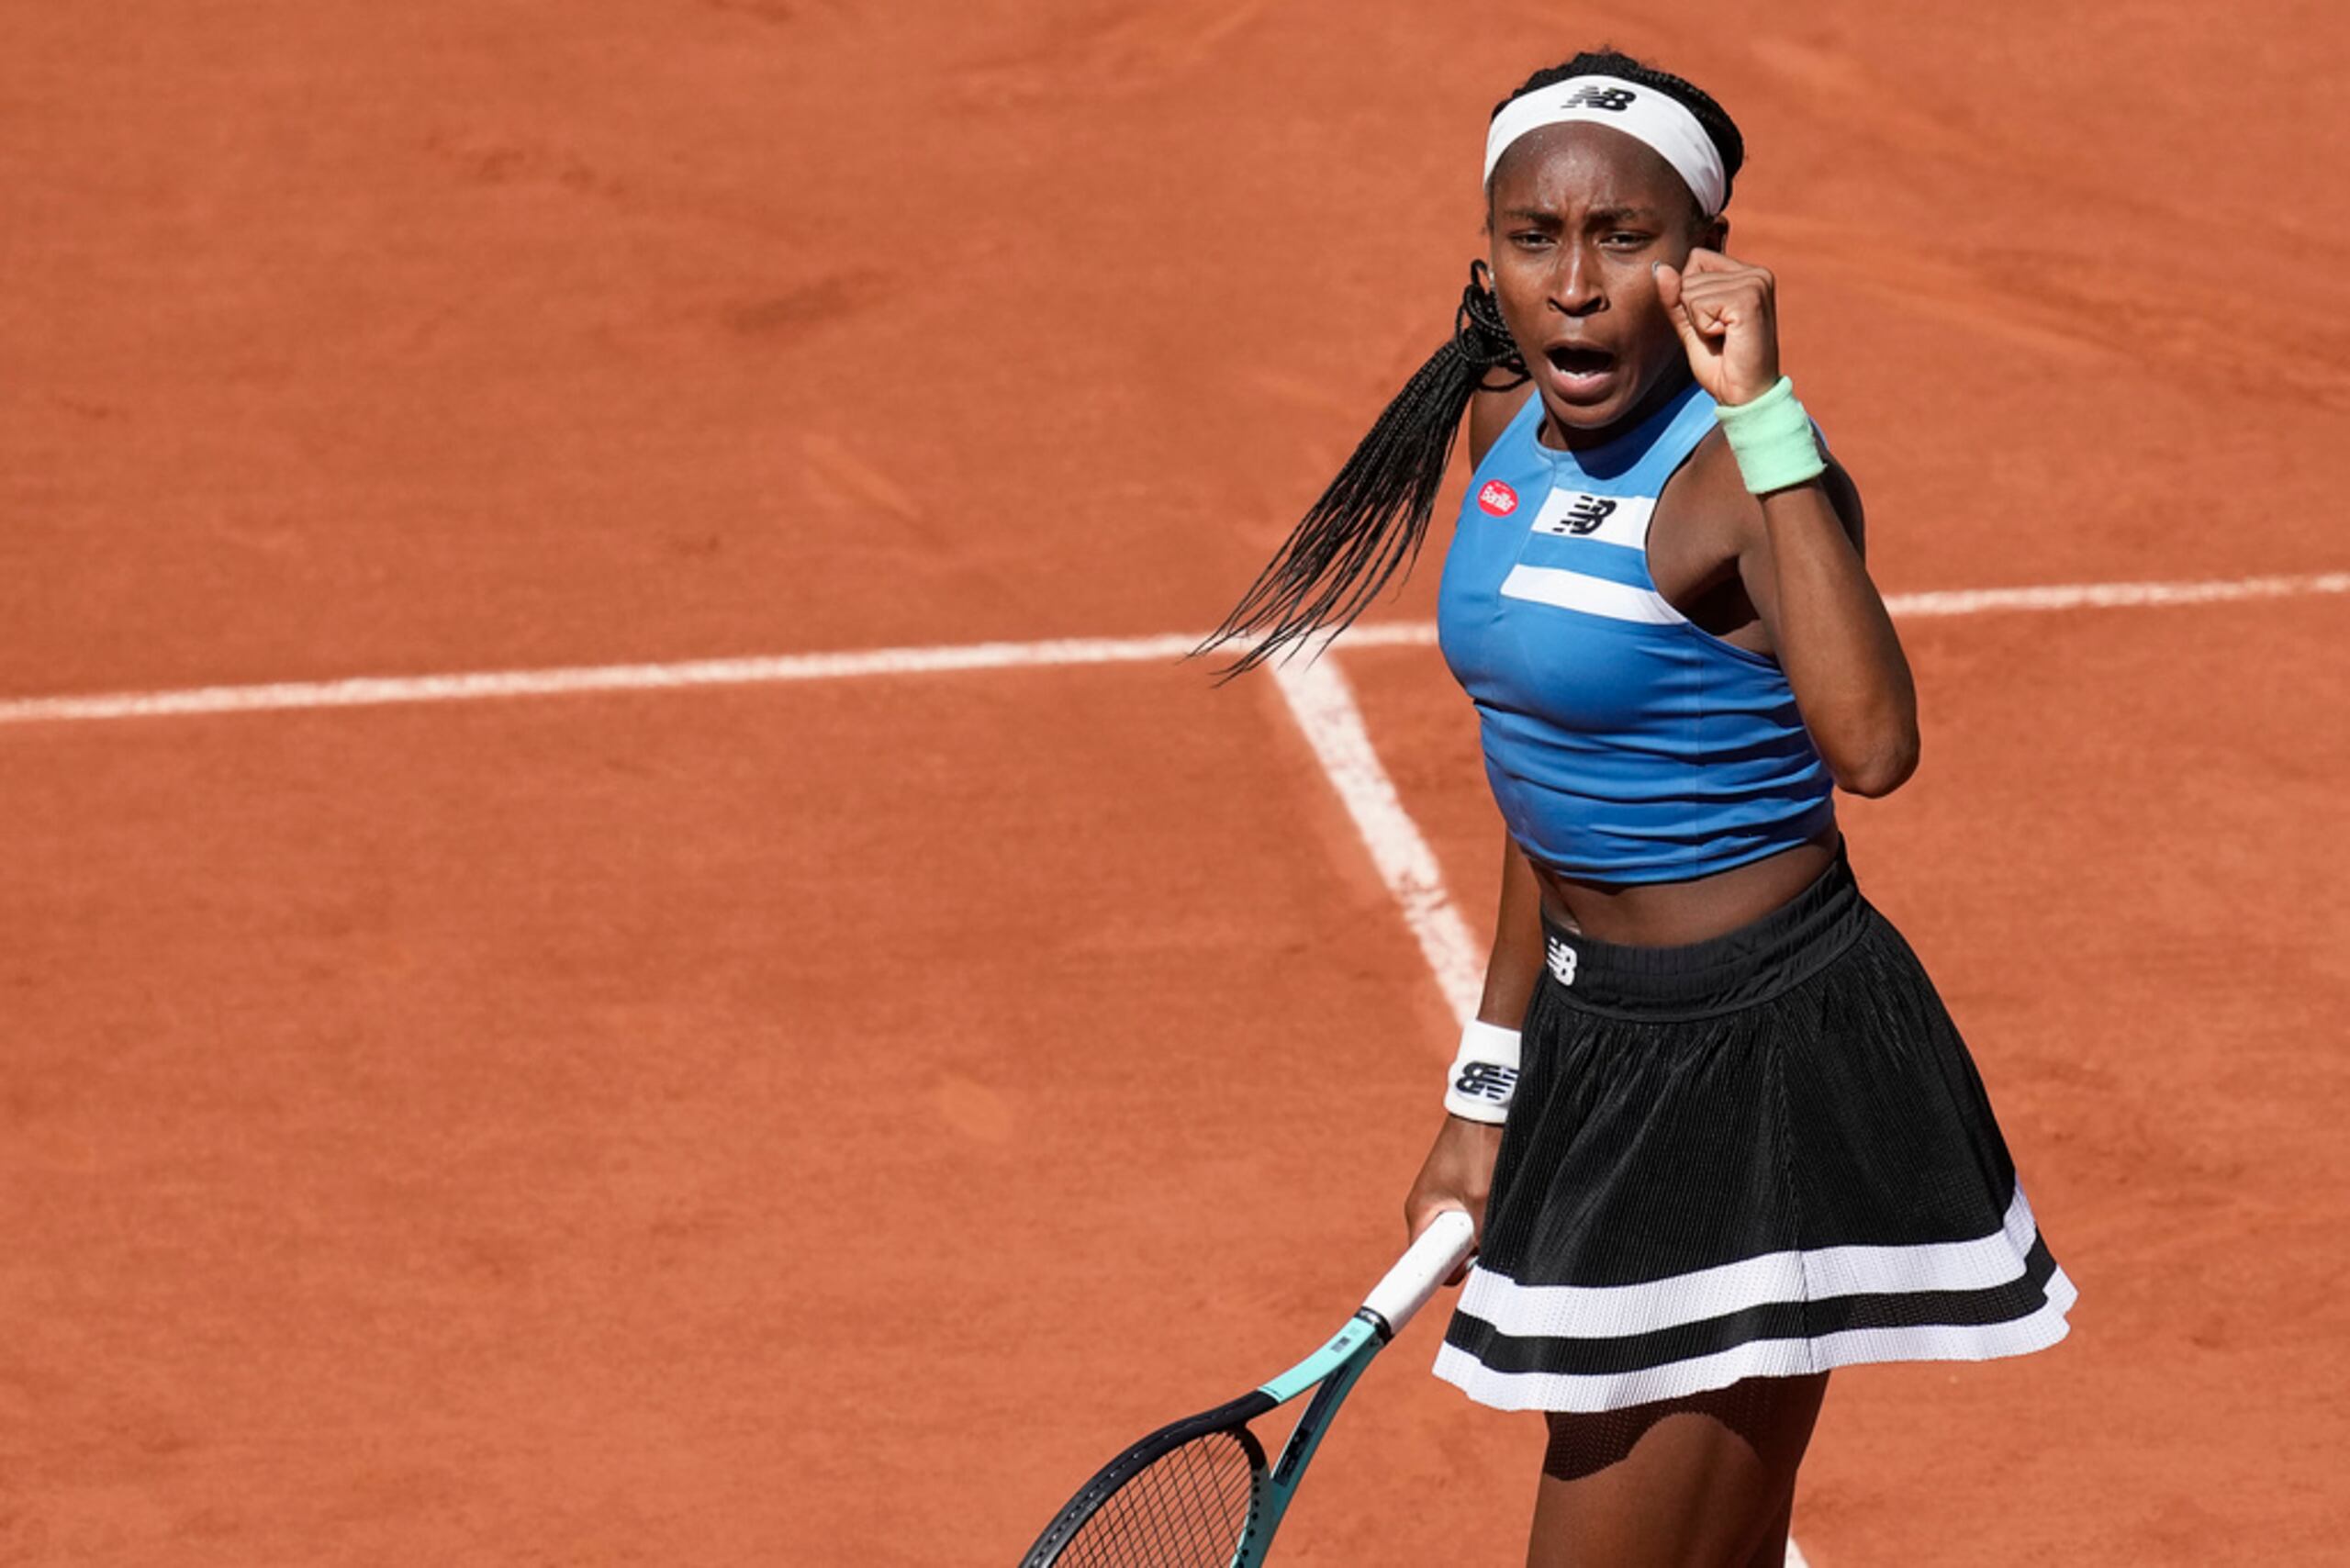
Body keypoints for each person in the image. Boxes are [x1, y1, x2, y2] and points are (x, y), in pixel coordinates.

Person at [1203, 50, 2076, 1567]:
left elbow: (1872, 747)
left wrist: (1770, 416)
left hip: (1760, 1072)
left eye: (1626, 238)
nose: (1577, 285)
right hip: (1597, 1045)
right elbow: (1544, 790)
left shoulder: (1749, 478)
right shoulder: (1499, 429)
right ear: (1488, 258)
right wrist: (1488, 1094)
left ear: (1700, 264)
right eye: (1534, 239)